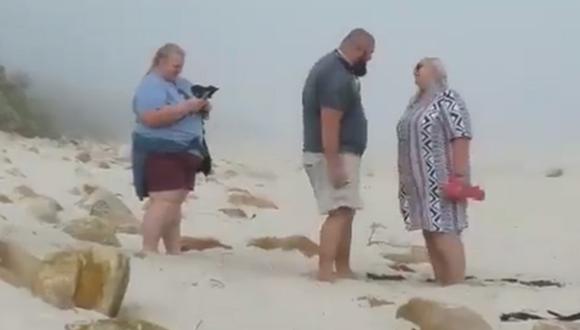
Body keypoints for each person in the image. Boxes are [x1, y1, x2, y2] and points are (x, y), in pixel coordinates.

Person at [301, 28, 375, 282]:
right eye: (370, 54)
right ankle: (325, 271)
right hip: (333, 153)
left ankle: (342, 267)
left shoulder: (336, 69)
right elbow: (329, 121)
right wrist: (333, 163)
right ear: (360, 50)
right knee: (339, 211)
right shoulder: (336, 75)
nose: (371, 60)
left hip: (341, 152)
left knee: (347, 210)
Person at [396, 57, 474, 285]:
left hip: (443, 178)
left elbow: (461, 135)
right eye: (414, 68)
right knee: (430, 230)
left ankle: (456, 282)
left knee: (445, 230)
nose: (415, 71)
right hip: (418, 182)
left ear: (436, 72)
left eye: (421, 67)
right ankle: (443, 279)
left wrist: (459, 176)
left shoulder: (448, 99)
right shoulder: (415, 102)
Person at [131, 43, 212, 255]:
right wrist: (186, 107)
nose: (179, 70)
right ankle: (148, 249)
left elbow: (192, 102)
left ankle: (173, 250)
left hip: (186, 150)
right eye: (175, 66)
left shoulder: (181, 84)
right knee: (163, 201)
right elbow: (150, 117)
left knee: (174, 204)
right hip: (162, 150)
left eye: (181, 66)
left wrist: (202, 106)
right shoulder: (151, 85)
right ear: (160, 61)